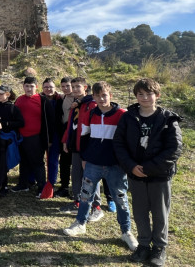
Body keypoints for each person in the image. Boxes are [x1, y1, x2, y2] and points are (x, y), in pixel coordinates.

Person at [113, 78, 182, 266]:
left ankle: (159, 248)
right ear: (136, 96)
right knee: (140, 211)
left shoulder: (168, 119)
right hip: (135, 174)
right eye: (140, 94)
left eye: (149, 93)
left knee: (160, 213)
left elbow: (174, 149)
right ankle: (144, 244)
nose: (145, 97)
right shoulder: (128, 117)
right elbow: (119, 144)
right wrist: (131, 166)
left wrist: (149, 168)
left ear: (157, 95)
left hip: (159, 176)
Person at [63, 82, 138, 252]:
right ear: (94, 98)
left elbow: (129, 140)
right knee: (85, 194)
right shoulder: (91, 114)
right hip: (93, 163)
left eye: (105, 95)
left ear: (110, 95)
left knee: (121, 199)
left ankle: (126, 232)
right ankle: (80, 223)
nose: (102, 99)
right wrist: (84, 157)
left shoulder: (122, 114)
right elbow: (84, 136)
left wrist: (126, 162)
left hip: (115, 166)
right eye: (98, 96)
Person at [60, 77, 103, 221]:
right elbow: (70, 125)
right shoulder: (75, 104)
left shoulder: (91, 104)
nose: (75, 89)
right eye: (73, 86)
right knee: (76, 174)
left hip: (88, 147)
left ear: (85, 87)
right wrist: (66, 140)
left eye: (78, 86)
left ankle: (96, 207)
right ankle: (77, 202)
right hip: (75, 146)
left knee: (90, 176)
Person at [12, 77, 55, 198]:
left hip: (36, 138)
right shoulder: (19, 100)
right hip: (21, 137)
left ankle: (41, 187)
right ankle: (23, 184)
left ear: (36, 87)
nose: (29, 89)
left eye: (31, 86)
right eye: (27, 86)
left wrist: (49, 139)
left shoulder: (43, 100)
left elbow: (50, 121)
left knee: (37, 163)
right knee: (24, 162)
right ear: (23, 87)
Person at [0, 85, 24, 199]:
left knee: (3, 163)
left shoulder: (14, 108)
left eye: (1, 93)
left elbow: (20, 123)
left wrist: (5, 124)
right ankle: (3, 185)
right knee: (0, 163)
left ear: (8, 94)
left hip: (8, 140)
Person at [39, 77, 63, 198]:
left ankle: (51, 182)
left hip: (55, 135)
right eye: (46, 87)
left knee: (53, 160)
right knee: (38, 159)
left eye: (51, 87)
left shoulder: (60, 100)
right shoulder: (39, 99)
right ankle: (36, 180)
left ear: (55, 88)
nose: (49, 89)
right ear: (42, 88)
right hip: (40, 134)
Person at [54, 77, 73, 198]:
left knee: (75, 162)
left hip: (75, 132)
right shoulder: (63, 96)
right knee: (64, 161)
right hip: (64, 131)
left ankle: (77, 189)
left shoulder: (80, 99)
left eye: (68, 86)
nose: (65, 88)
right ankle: (64, 186)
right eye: (63, 86)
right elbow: (57, 94)